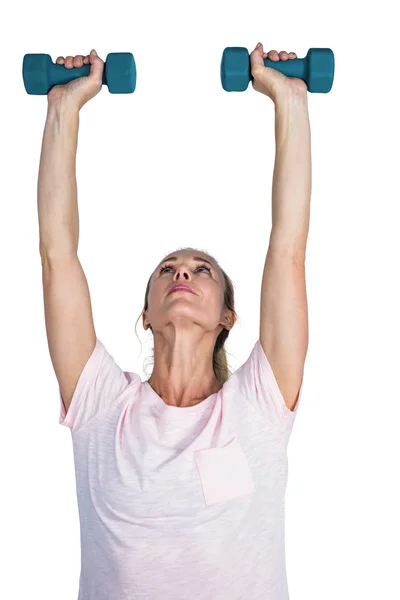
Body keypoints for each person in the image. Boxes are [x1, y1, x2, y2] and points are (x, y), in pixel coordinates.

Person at [38, 42, 309, 600]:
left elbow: (288, 249)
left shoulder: (257, 402)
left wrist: (290, 101)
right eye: (168, 269)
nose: (182, 274)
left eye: (201, 270)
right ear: (146, 313)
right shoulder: (101, 406)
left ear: (227, 316)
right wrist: (63, 110)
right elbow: (57, 255)